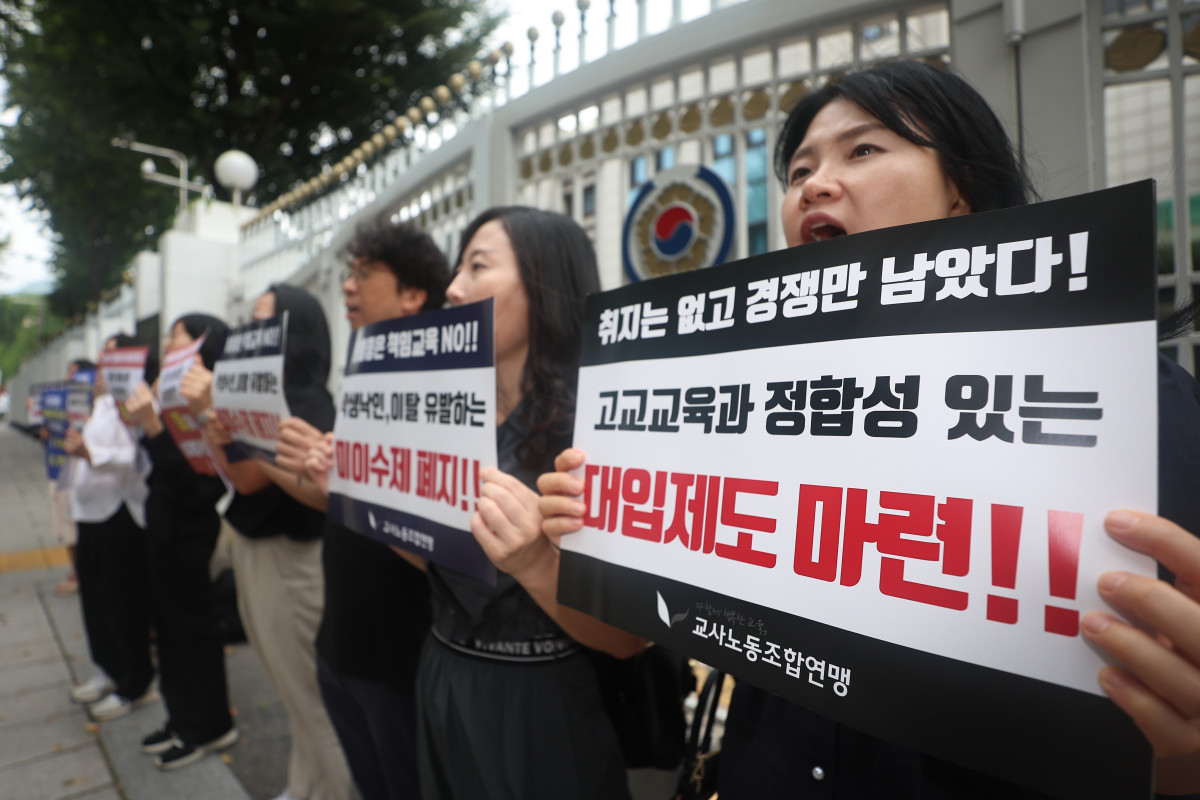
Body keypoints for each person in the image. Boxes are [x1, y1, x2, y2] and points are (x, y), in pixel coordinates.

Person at [539, 61, 1200, 797]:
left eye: (863, 150)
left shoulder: (1124, 399)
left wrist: (1176, 757)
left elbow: (1141, 727)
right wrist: (613, 525)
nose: (812, 187)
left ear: (960, 190)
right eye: (799, 169)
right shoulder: (751, 401)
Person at [396, 207, 641, 800]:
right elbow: (435, 559)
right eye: (457, 268)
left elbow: (626, 637)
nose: (453, 289)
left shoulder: (605, 429)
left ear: (543, 282)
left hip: (541, 700)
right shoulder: (439, 411)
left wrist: (535, 562)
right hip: (441, 673)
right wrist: (374, 498)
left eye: (477, 266)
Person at [274, 220, 450, 800]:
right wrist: (311, 470)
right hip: (340, 643)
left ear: (412, 295)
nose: (347, 287)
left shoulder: (448, 393)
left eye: (364, 274)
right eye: (348, 273)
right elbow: (339, 502)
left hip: (399, 659)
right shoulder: (364, 378)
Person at [183, 285, 352, 800]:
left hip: (292, 562)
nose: (245, 335)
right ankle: (305, 785)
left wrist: (222, 416)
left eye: (260, 322)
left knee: (313, 700)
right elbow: (239, 475)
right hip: (261, 555)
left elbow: (254, 478)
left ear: (290, 330)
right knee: (293, 692)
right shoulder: (263, 394)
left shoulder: (305, 403)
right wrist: (216, 422)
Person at [124, 313, 238, 770]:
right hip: (163, 526)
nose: (169, 346)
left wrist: (153, 428)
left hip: (188, 530)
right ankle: (181, 718)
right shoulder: (167, 395)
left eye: (178, 339)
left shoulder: (208, 403)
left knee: (192, 630)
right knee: (168, 631)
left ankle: (209, 726)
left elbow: (200, 484)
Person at [64, 334, 158, 722]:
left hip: (119, 513)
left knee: (123, 604)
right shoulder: (100, 401)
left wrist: (91, 453)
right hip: (88, 511)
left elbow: (137, 457)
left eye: (113, 353)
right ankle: (107, 670)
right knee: (95, 602)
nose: (104, 361)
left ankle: (136, 683)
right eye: (104, 354)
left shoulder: (137, 402)